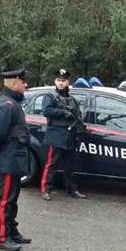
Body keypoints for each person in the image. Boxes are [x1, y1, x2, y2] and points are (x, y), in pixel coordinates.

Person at [0, 67, 32, 251]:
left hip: (15, 159)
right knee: (5, 200)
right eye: (23, 81)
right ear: (14, 83)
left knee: (12, 199)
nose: (25, 84)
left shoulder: (13, 103)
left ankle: (12, 231)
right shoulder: (7, 106)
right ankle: (2, 237)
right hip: (8, 159)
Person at [40, 68, 87, 201]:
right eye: (59, 80)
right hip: (56, 134)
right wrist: (63, 112)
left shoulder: (72, 99)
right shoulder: (50, 96)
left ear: (68, 82)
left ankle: (71, 190)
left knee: (69, 165)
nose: (61, 83)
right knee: (51, 164)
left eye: (63, 81)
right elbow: (47, 111)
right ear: (55, 81)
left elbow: (78, 115)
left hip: (70, 135)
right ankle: (46, 190)